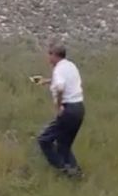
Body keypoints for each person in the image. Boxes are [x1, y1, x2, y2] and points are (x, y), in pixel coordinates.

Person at [32, 43, 85, 179]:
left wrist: (58, 106)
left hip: (68, 110)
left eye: (49, 54)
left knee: (44, 140)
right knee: (64, 145)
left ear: (55, 55)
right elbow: (67, 82)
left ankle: (62, 169)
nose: (48, 57)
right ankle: (76, 174)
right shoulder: (70, 66)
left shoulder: (59, 70)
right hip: (79, 108)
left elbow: (61, 87)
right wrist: (46, 81)